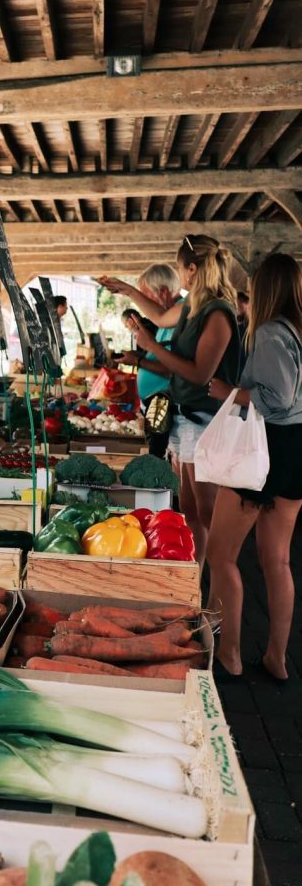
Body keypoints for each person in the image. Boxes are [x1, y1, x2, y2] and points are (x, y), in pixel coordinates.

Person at [100, 235, 240, 566]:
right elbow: (162, 318)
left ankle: (222, 573)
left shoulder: (218, 313)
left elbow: (200, 373)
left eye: (181, 269)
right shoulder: (193, 306)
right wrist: (127, 291)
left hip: (203, 421)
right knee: (190, 510)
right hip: (184, 419)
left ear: (192, 269)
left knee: (207, 512)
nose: (181, 276)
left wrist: (151, 346)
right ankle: (198, 573)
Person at [206, 254, 302, 681]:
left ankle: (228, 653)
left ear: (265, 289)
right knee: (277, 561)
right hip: (296, 450)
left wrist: (231, 392)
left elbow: (276, 398)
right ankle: (276, 658)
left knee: (221, 555)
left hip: (264, 449)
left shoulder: (269, 333)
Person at [117, 264, 182, 457]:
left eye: (145, 298)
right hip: (157, 400)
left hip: (164, 400)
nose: (143, 305)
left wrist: (138, 362)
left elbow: (171, 367)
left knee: (160, 458)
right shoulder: (165, 319)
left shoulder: (178, 316)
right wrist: (138, 356)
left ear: (162, 292)